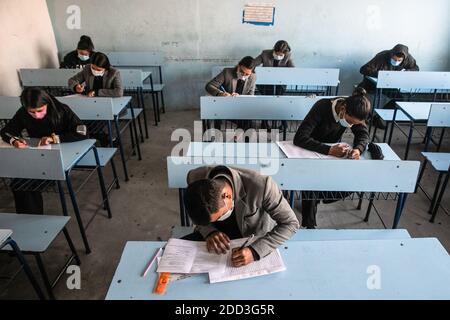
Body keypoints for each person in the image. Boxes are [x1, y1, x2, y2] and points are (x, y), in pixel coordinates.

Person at [184, 165, 299, 267]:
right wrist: (209, 231)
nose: (219, 220)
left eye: (221, 215)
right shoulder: (194, 178)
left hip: (250, 240)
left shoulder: (262, 187)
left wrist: (254, 252)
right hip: (215, 242)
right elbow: (199, 219)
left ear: (227, 196)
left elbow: (291, 223)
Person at [0, 88, 88, 214]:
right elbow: (6, 131)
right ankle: (29, 219)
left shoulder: (62, 110)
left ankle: (31, 220)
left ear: (47, 103)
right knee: (18, 184)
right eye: (32, 112)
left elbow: (82, 132)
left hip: (61, 156)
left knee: (25, 185)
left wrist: (55, 138)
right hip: (36, 156)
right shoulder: (23, 112)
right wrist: (14, 141)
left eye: (40, 111)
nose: (36, 115)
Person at [293, 87, 371, 228]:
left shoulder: (356, 110)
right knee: (311, 184)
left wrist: (358, 149)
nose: (351, 125)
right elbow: (299, 138)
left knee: (355, 181)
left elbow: (363, 135)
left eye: (354, 124)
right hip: (309, 150)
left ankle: (316, 197)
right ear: (343, 109)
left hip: (332, 154)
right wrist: (328, 150)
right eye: (349, 121)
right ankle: (309, 225)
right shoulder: (322, 106)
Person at [358, 44, 419, 129]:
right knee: (359, 95)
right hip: (372, 84)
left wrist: (406, 72)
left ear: (404, 59)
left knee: (401, 99)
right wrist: (382, 74)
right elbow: (364, 69)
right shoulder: (382, 56)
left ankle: (378, 116)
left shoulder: (408, 59)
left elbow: (416, 68)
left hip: (389, 86)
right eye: (394, 59)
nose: (396, 61)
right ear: (391, 54)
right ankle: (365, 117)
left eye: (399, 60)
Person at [206, 56, 256, 132]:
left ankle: (239, 136)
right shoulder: (227, 72)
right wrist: (220, 93)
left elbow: (251, 96)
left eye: (247, 74)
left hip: (242, 107)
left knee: (249, 121)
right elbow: (209, 86)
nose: (243, 75)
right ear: (239, 65)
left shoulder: (253, 77)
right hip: (226, 105)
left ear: (251, 72)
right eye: (242, 71)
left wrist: (241, 97)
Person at [254, 40, 295, 130]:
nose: (279, 56)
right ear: (274, 50)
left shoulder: (287, 56)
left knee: (279, 102)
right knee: (266, 102)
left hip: (280, 85)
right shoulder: (265, 54)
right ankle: (264, 123)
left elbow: (293, 70)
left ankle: (284, 124)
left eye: (281, 55)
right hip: (266, 84)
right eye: (277, 53)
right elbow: (253, 64)